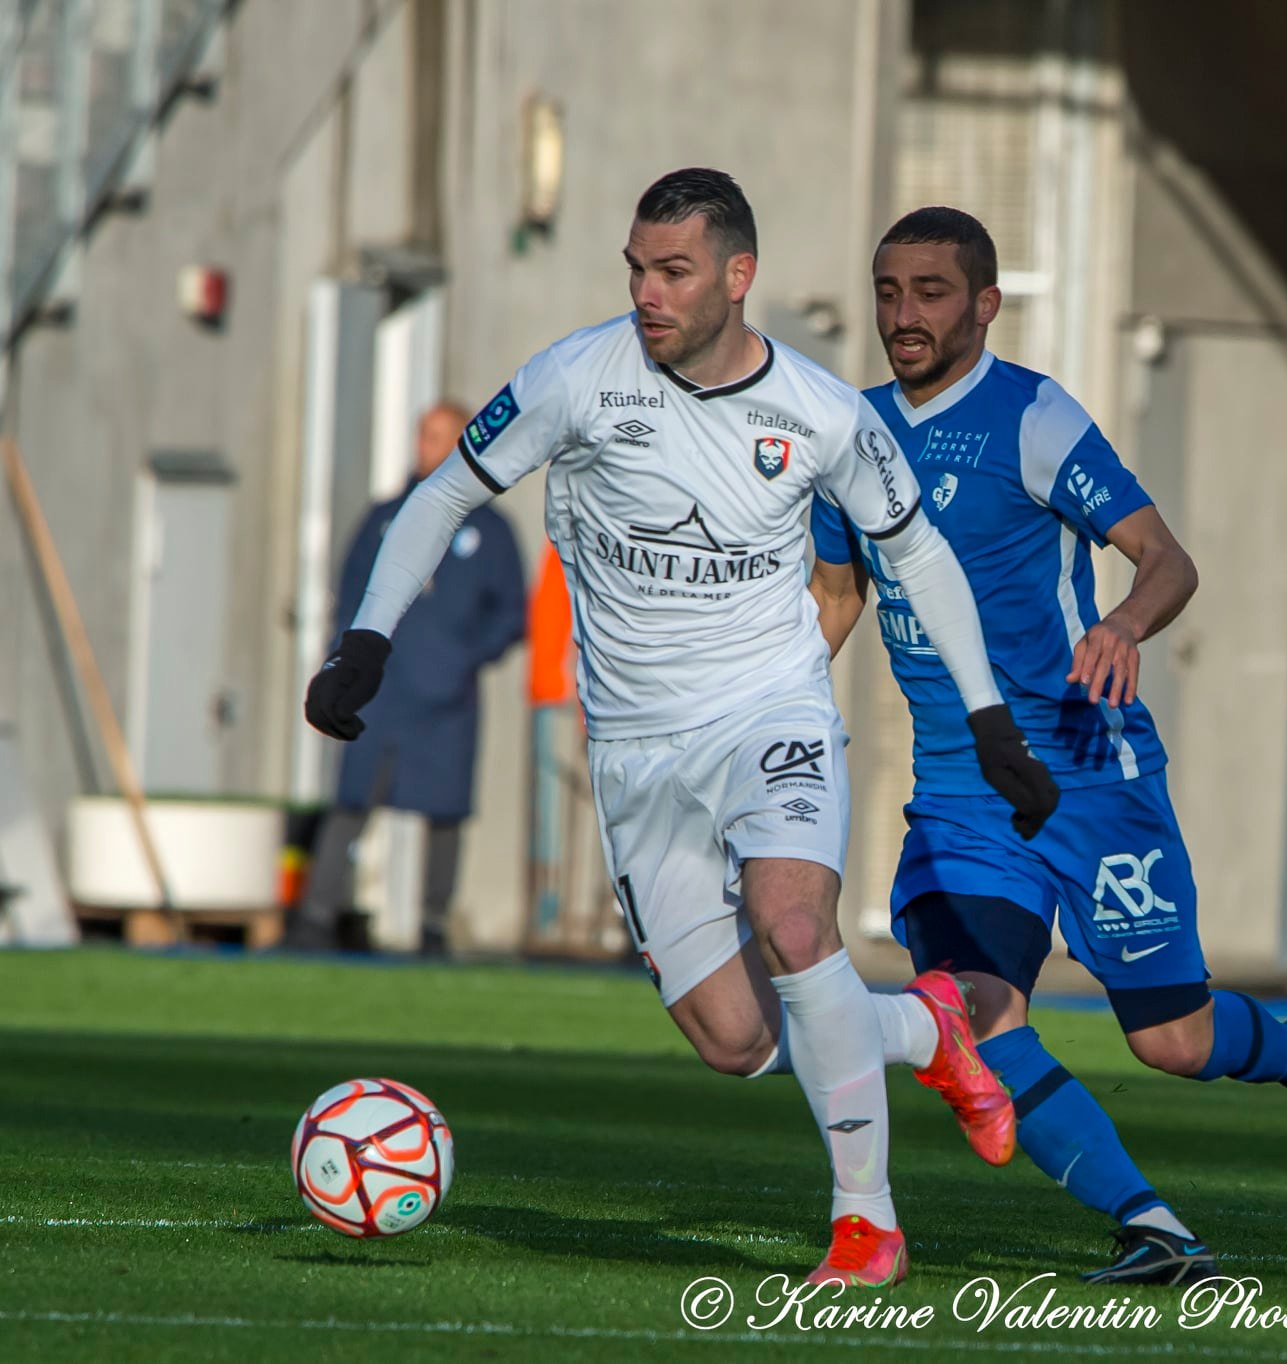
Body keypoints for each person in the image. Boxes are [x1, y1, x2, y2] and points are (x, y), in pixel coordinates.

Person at [303, 169, 1058, 1290]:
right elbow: (446, 495)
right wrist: (366, 637)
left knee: (796, 926)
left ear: (736, 277)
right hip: (634, 748)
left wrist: (991, 716)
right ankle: (925, 1032)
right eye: (636, 270)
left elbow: (918, 556)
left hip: (771, 711)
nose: (648, 293)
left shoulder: (818, 411)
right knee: (734, 1040)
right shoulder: (575, 377)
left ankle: (867, 1223)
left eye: (674, 271)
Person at [807, 206, 1287, 1285]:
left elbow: (1165, 557)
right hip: (958, 791)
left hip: (1085, 770)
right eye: (889, 290)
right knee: (976, 1020)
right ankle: (1151, 1222)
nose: (904, 313)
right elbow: (837, 593)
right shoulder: (845, 431)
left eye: (931, 291)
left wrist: (1122, 623)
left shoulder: (1032, 416)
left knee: (1170, 1041)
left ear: (986, 304)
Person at [287, 401, 524, 956]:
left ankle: (434, 926)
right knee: (351, 802)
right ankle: (317, 919)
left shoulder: (489, 530)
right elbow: (351, 592)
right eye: (421, 435)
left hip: (446, 699)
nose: (424, 446)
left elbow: (512, 613)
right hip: (383, 693)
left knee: (444, 813)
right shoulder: (386, 516)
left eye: (438, 436)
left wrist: (463, 657)